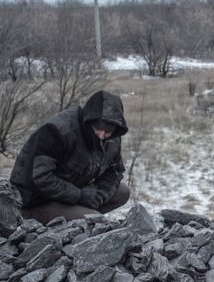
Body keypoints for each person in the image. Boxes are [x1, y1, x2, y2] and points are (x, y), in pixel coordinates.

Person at [10, 90, 130, 225]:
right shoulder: (57, 131)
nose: (102, 135)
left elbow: (115, 171)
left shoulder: (112, 137)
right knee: (94, 220)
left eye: (108, 131)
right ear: (90, 120)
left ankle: (76, 217)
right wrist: (79, 196)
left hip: (70, 193)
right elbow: (40, 178)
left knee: (123, 192)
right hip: (35, 202)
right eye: (99, 128)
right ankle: (66, 223)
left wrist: (99, 194)